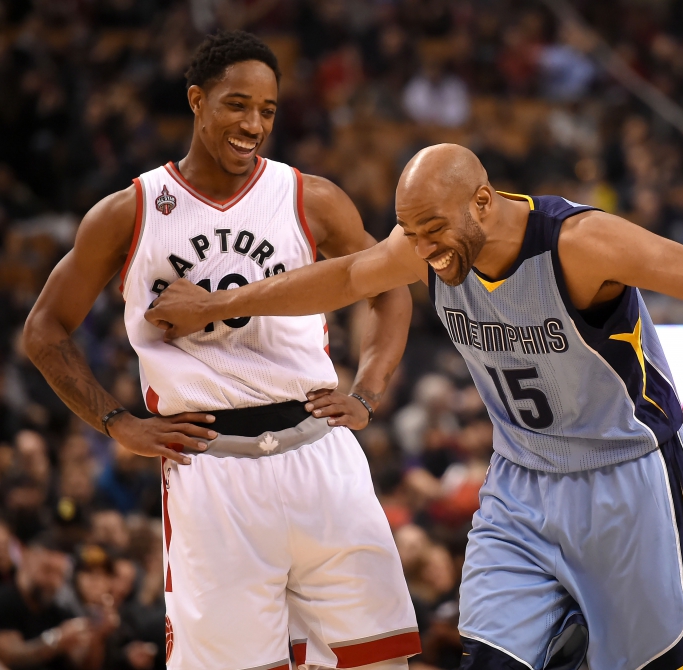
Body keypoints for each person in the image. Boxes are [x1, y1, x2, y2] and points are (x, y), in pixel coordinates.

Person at [146, 142, 683, 670]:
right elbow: (343, 277)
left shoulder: (583, 244)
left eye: (432, 229)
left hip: (630, 479)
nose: (421, 248)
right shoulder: (425, 247)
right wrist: (218, 303)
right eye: (411, 231)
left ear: (482, 203)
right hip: (520, 485)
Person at [23, 31, 419, 670]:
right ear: (197, 100)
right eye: (237, 104)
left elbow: (390, 289)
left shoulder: (308, 196)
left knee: (378, 662)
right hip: (212, 468)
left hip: (319, 452)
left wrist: (369, 390)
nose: (253, 123)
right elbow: (43, 330)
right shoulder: (132, 210)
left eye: (267, 109)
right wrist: (117, 423)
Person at [0, 532, 104, 670]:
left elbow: (84, 665)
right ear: (26, 559)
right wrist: (54, 641)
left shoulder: (59, 612)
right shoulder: (5, 600)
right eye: (47, 571)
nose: (53, 582)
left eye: (60, 575)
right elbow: (9, 655)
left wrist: (97, 635)